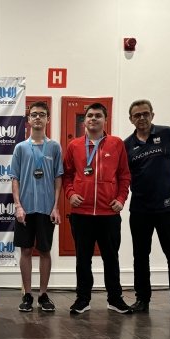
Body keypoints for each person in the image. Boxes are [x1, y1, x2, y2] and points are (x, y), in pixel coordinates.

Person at [62, 103, 131, 314]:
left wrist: (121, 199)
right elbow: (66, 175)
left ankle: (115, 299)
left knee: (111, 258)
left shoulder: (117, 144)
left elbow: (124, 175)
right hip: (81, 213)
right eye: (90, 115)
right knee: (83, 259)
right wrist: (70, 194)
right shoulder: (74, 145)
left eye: (98, 115)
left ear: (105, 120)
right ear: (84, 120)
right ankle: (82, 299)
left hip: (109, 213)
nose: (93, 118)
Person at [124, 99, 170, 315]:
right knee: (140, 255)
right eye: (137, 115)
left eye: (145, 113)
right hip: (140, 208)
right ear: (131, 119)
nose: (142, 118)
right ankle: (142, 299)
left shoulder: (168, 133)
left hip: (169, 207)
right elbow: (125, 174)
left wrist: (167, 176)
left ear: (152, 115)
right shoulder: (127, 145)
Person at [10, 102, 63, 312]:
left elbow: (58, 178)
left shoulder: (55, 147)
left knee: (45, 251)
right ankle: (27, 294)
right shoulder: (20, 148)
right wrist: (18, 206)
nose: (38, 117)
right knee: (25, 250)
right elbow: (15, 178)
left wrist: (56, 207)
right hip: (25, 208)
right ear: (29, 120)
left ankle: (43, 294)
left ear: (48, 119)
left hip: (46, 208)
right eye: (34, 114)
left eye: (42, 114)